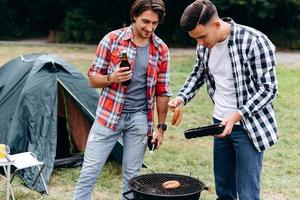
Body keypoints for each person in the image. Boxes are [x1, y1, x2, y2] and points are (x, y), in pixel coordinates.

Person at [168, 0, 278, 200]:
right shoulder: (204, 45)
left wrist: (237, 115)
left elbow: (269, 89)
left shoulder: (254, 41)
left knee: (247, 195)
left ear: (217, 24)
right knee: (224, 192)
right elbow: (198, 74)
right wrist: (181, 97)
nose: (199, 43)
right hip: (219, 124)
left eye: (202, 36)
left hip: (247, 127)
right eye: (195, 39)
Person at [74, 0, 171, 199]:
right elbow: (93, 78)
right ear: (134, 16)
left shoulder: (161, 49)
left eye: (154, 23)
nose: (149, 28)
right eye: (145, 21)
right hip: (109, 116)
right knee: (90, 171)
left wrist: (160, 128)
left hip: (140, 119)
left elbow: (162, 91)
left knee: (133, 178)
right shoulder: (112, 40)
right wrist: (111, 78)